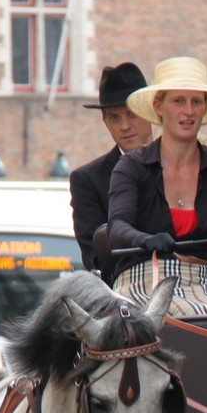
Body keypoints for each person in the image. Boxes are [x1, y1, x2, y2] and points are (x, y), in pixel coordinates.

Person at [108, 56, 207, 313]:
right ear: (158, 106)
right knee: (184, 318)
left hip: (205, 283)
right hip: (141, 280)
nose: (189, 111)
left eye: (196, 101)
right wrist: (146, 239)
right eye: (178, 101)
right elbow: (117, 228)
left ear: (205, 108)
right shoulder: (131, 166)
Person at [69, 62, 154, 275]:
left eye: (132, 113)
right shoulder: (87, 180)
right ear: (105, 121)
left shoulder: (178, 164)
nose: (124, 125)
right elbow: (95, 258)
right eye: (114, 117)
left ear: (151, 111)